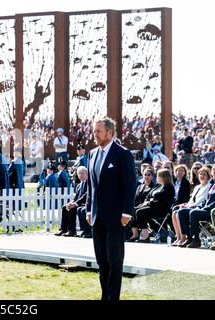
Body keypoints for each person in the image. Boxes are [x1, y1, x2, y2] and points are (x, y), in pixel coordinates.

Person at [86, 117, 136, 301]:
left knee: (114, 261)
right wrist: (89, 210)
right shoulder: (92, 154)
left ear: (110, 132)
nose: (95, 134)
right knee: (101, 261)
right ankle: (104, 296)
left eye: (98, 131)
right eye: (94, 130)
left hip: (116, 217)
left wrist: (127, 213)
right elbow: (91, 185)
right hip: (97, 217)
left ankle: (113, 297)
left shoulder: (122, 153)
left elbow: (130, 184)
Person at [129, 169, 176, 243]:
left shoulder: (169, 188)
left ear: (163, 177)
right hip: (152, 206)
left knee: (140, 212)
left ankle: (145, 235)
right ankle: (135, 234)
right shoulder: (158, 186)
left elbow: (163, 202)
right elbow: (148, 195)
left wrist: (149, 203)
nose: (156, 178)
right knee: (133, 210)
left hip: (161, 210)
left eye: (158, 176)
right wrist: (146, 202)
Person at [171, 166, 212, 246]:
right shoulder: (197, 187)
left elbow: (202, 201)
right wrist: (186, 205)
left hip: (200, 208)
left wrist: (190, 206)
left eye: (204, 174)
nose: (202, 176)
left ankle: (194, 239)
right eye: (200, 174)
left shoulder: (209, 186)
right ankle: (186, 237)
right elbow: (192, 199)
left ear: (208, 176)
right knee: (177, 211)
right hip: (193, 206)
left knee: (187, 212)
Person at [55, 166, 88, 237]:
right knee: (65, 207)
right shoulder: (79, 185)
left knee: (72, 209)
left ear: (86, 174)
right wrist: (71, 202)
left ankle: (72, 231)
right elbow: (76, 197)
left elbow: (84, 197)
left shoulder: (89, 184)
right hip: (78, 203)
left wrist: (75, 204)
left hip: (84, 204)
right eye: (79, 174)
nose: (81, 175)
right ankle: (63, 229)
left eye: (83, 173)